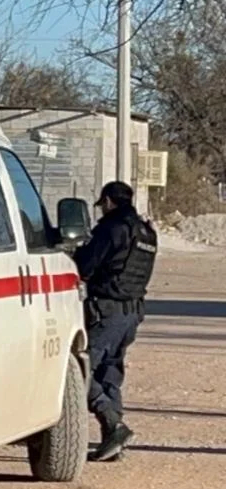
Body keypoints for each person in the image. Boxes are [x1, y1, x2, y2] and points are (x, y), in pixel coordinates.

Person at [72, 180, 158, 463]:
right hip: (131, 313)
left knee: (79, 370)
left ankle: (114, 424)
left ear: (108, 201)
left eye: (103, 204)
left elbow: (85, 266)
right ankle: (113, 438)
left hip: (107, 310)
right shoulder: (146, 232)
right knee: (110, 373)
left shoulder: (113, 228)